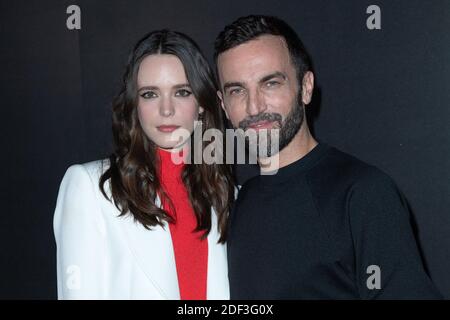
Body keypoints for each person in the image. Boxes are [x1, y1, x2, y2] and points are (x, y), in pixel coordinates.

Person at [214, 15, 443, 299]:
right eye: (237, 90)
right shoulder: (237, 205)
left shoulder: (364, 194)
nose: (254, 106)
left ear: (306, 87)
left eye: (270, 83)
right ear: (223, 105)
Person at [53, 30, 234, 299]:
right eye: (150, 94)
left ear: (201, 103)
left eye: (182, 92)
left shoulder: (227, 194)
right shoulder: (90, 188)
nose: (166, 109)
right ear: (134, 104)